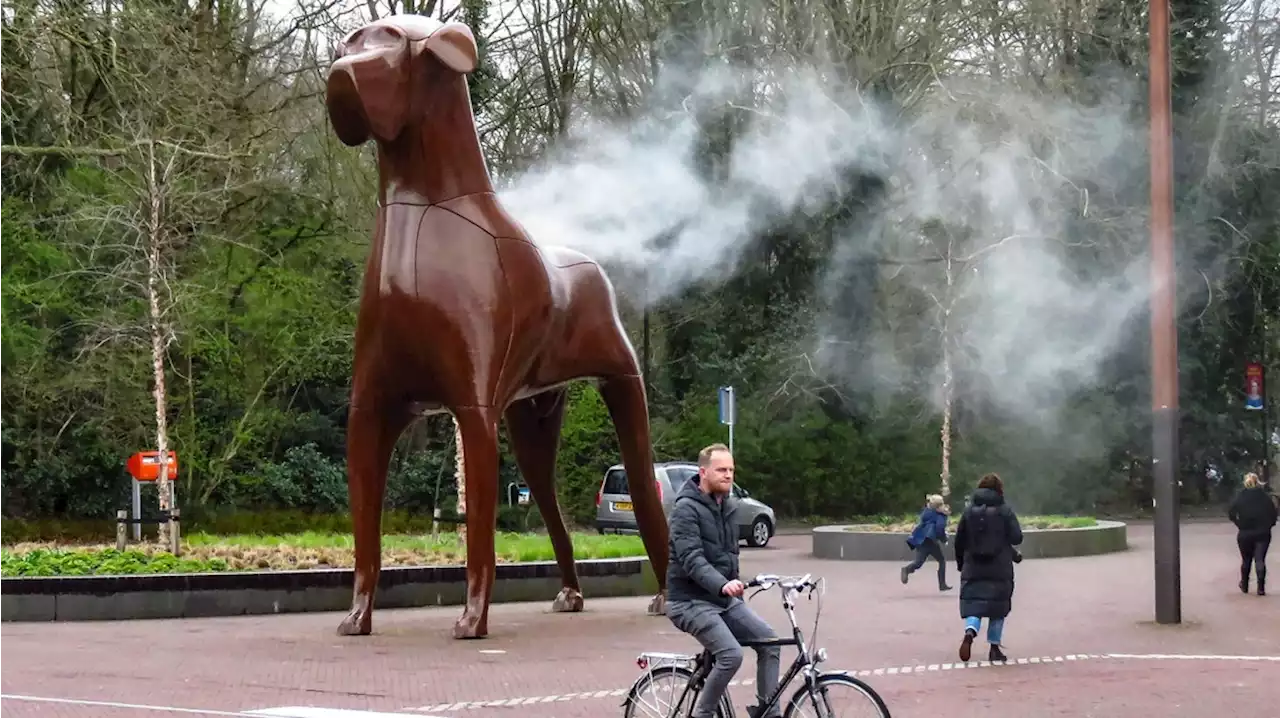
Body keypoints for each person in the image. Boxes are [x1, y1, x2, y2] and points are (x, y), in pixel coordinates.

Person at [666, 443, 781, 718]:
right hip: (689, 601)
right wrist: (722, 584)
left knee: (770, 642)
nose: (728, 475)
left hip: (723, 600)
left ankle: (768, 712)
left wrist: (735, 588)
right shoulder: (686, 510)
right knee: (731, 655)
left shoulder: (727, 505)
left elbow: (729, 555)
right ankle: (702, 714)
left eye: (731, 469)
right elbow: (692, 559)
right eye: (721, 470)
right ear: (703, 472)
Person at [952, 473, 1023, 663]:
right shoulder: (1005, 510)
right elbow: (1017, 537)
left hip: (973, 566)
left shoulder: (968, 511)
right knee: (997, 608)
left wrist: (961, 564)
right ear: (999, 490)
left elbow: (959, 540)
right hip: (999, 567)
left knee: (975, 604)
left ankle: (970, 632)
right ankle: (994, 648)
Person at [1228, 472, 1278, 596]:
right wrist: (1269, 524)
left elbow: (1231, 512)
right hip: (1263, 532)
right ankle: (1261, 587)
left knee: (1246, 560)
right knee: (1260, 559)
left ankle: (1244, 584)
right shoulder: (1265, 497)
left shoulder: (1240, 496)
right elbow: (1274, 513)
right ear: (1258, 482)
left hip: (1245, 532)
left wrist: (1238, 523)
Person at [900, 494, 953, 591]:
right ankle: (942, 584)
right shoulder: (940, 516)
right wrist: (944, 539)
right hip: (931, 541)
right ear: (939, 506)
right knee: (941, 561)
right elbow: (939, 529)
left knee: (918, 562)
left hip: (921, 540)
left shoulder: (927, 512)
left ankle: (907, 569)